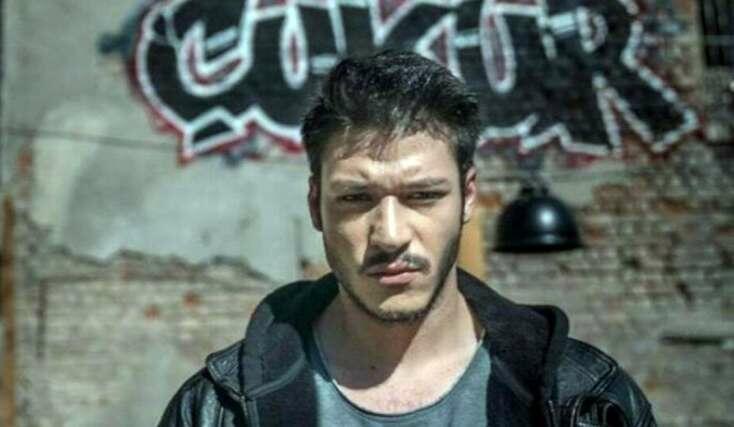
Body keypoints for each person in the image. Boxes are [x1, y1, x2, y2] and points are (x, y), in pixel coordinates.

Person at [158, 50, 656, 427]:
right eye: (356, 198)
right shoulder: (217, 409)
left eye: (422, 196)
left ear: (467, 197)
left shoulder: (585, 402)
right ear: (315, 205)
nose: (390, 235)